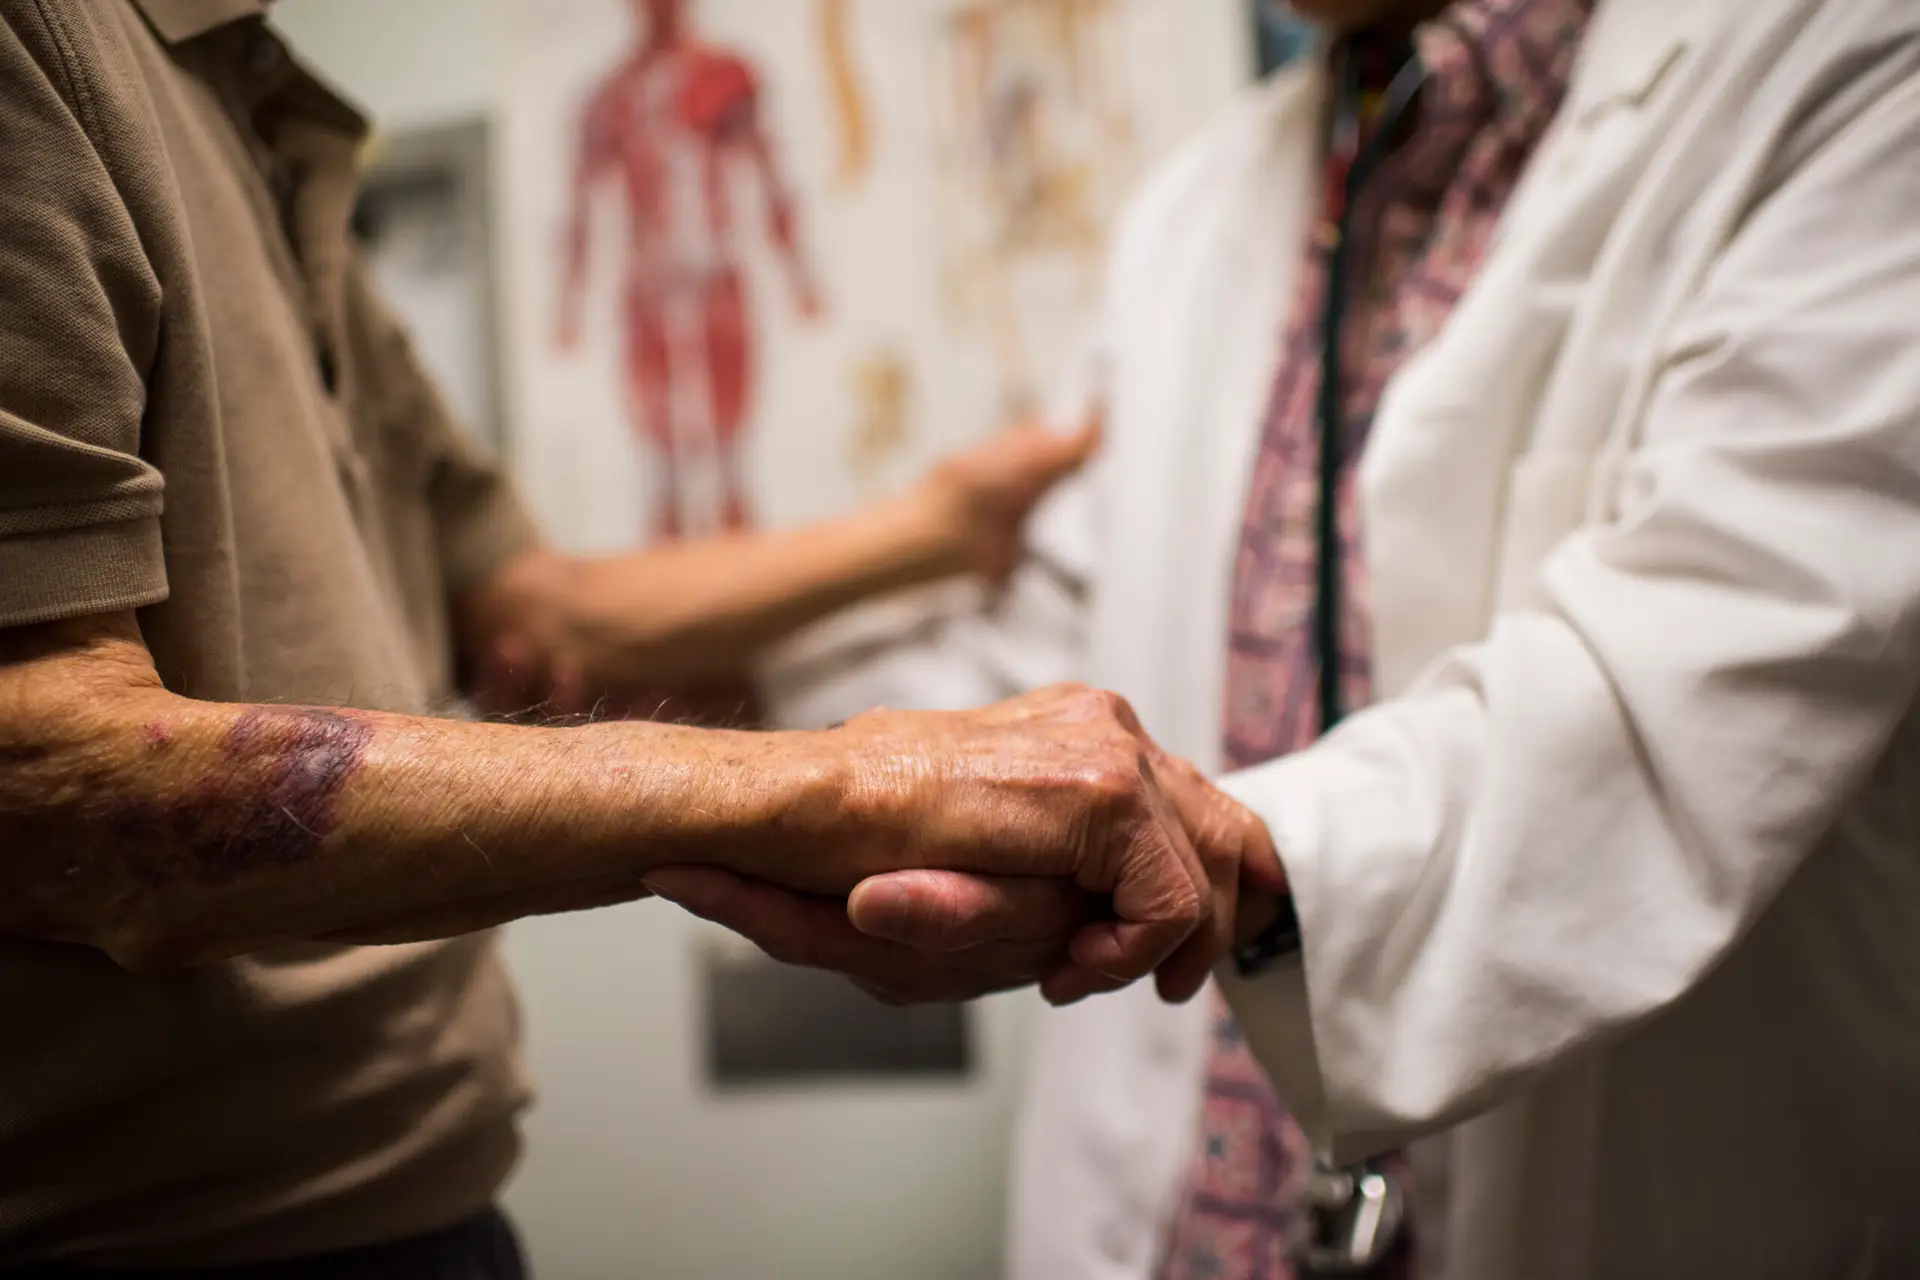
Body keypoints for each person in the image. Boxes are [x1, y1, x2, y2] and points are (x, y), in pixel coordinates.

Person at [660, 0, 1920, 1274]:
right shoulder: (1196, 206)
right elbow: (1065, 642)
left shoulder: (1860, 70)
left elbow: (1703, 663)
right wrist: (732, 697)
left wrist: (1209, 846)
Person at [0, 2, 1265, 1271]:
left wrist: (942, 529)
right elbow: (54, 779)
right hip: (159, 1232)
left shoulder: (253, 105)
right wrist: (840, 784)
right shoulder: (41, 44)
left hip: (431, 1194)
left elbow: (540, 616)